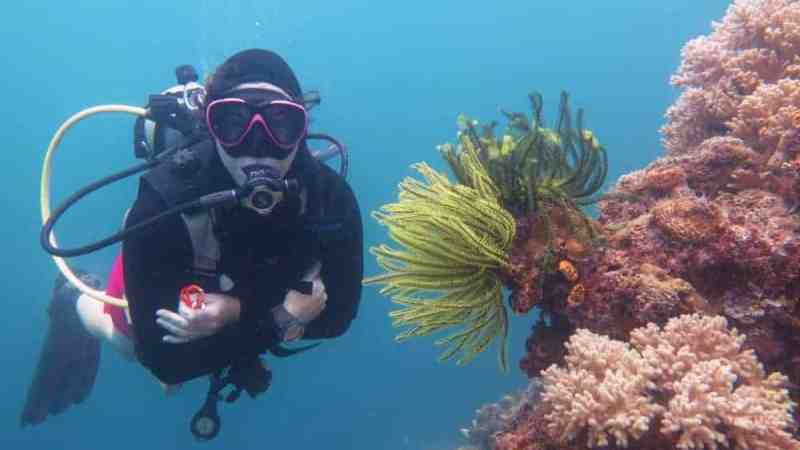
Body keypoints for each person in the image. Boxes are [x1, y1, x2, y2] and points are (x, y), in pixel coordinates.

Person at [25, 49, 363, 437]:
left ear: (300, 131)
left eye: (281, 125)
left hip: (237, 296)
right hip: (183, 283)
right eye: (233, 124)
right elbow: (163, 361)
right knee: (126, 341)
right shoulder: (165, 201)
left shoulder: (328, 197)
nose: (259, 147)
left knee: (182, 365)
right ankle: (72, 299)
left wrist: (237, 312)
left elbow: (340, 317)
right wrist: (280, 318)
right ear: (211, 127)